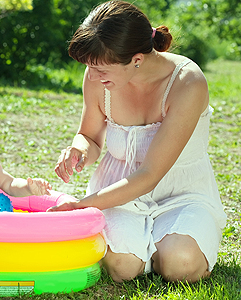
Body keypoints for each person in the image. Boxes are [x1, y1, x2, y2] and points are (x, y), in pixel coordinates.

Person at [47, 0, 226, 283]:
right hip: (117, 191)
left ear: (137, 60)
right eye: (89, 68)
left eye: (100, 70)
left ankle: (166, 244)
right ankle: (144, 249)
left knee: (180, 264)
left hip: (180, 193)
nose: (91, 76)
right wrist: (78, 149)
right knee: (122, 266)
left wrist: (82, 206)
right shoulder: (98, 72)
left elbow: (150, 175)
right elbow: (90, 137)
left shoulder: (187, 82)